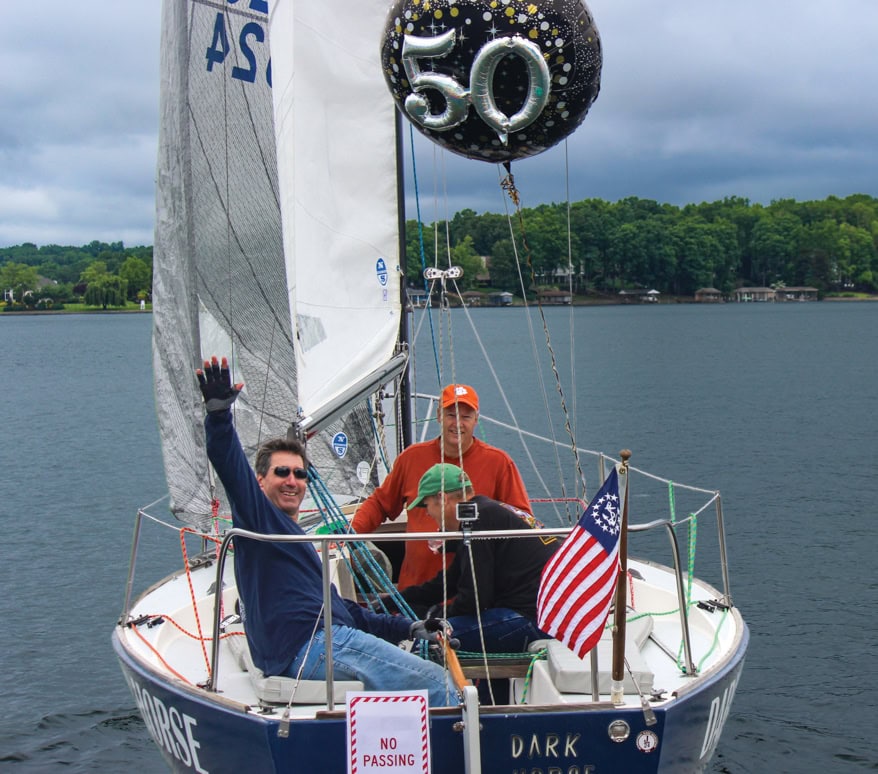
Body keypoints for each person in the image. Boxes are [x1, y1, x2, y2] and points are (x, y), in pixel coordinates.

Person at [196, 355, 455, 706]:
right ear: (260, 481)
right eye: (282, 473)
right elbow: (231, 468)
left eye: (300, 474)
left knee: (429, 671)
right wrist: (218, 417)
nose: (293, 481)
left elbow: (346, 610)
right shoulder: (258, 520)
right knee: (440, 684)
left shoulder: (299, 539)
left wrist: (407, 628)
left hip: (323, 639)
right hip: (308, 645)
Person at [351, 384, 532, 589]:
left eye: (466, 417)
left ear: (476, 420)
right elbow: (380, 504)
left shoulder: (499, 463)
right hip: (416, 591)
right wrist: (348, 536)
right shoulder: (411, 458)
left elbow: (522, 521)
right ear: (438, 415)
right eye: (451, 414)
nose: (458, 423)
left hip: (475, 596)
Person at [398, 463, 559, 655]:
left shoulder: (476, 519)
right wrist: (398, 600)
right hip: (548, 617)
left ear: (442, 499)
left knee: (422, 640)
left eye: (427, 505)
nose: (427, 513)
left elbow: (474, 599)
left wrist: (431, 617)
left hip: (531, 619)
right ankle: (486, 687)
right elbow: (451, 581)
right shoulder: (485, 511)